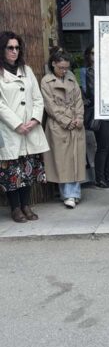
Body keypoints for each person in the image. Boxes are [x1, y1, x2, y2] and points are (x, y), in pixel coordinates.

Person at [0, 31, 49, 222]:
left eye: (17, 48)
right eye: (10, 48)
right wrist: (17, 124)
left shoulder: (26, 70)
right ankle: (15, 208)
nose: (14, 51)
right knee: (12, 171)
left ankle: (26, 205)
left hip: (30, 129)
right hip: (9, 130)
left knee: (28, 168)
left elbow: (38, 98)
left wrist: (35, 120)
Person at [41, 50, 86, 208]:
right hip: (59, 125)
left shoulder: (71, 78)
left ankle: (74, 193)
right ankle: (69, 194)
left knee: (76, 159)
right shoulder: (46, 82)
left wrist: (79, 118)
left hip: (75, 123)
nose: (64, 71)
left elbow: (79, 100)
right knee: (63, 161)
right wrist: (66, 121)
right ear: (53, 64)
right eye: (61, 67)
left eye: (66, 68)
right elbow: (50, 107)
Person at [81, 46, 109, 189]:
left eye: (98, 53)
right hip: (99, 111)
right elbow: (91, 92)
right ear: (88, 55)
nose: (95, 56)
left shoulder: (107, 69)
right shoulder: (88, 71)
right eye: (92, 53)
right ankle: (99, 178)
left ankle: (108, 176)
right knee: (103, 146)